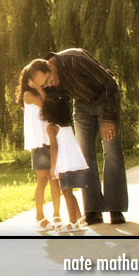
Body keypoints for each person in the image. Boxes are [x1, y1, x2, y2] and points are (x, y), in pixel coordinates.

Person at [24, 49, 128, 225]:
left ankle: (115, 208)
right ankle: (92, 210)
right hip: (81, 106)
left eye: (48, 80)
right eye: (45, 84)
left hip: (105, 101)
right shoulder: (50, 80)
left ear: (51, 67)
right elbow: (50, 103)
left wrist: (109, 119)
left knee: (112, 153)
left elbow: (111, 85)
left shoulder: (75, 60)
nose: (49, 85)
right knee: (85, 156)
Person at [16, 65, 62, 232]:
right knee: (42, 179)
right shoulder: (28, 95)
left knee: (54, 178)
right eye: (41, 75)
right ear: (32, 78)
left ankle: (57, 214)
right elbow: (45, 105)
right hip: (39, 142)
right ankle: (39, 216)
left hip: (50, 140)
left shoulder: (43, 91)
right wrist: (37, 88)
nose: (44, 77)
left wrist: (41, 89)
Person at [41, 87, 89, 232]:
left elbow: (54, 148)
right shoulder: (66, 125)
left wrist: (52, 167)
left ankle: (73, 223)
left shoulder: (51, 127)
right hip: (74, 161)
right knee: (70, 193)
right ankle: (80, 218)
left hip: (64, 163)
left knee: (67, 193)